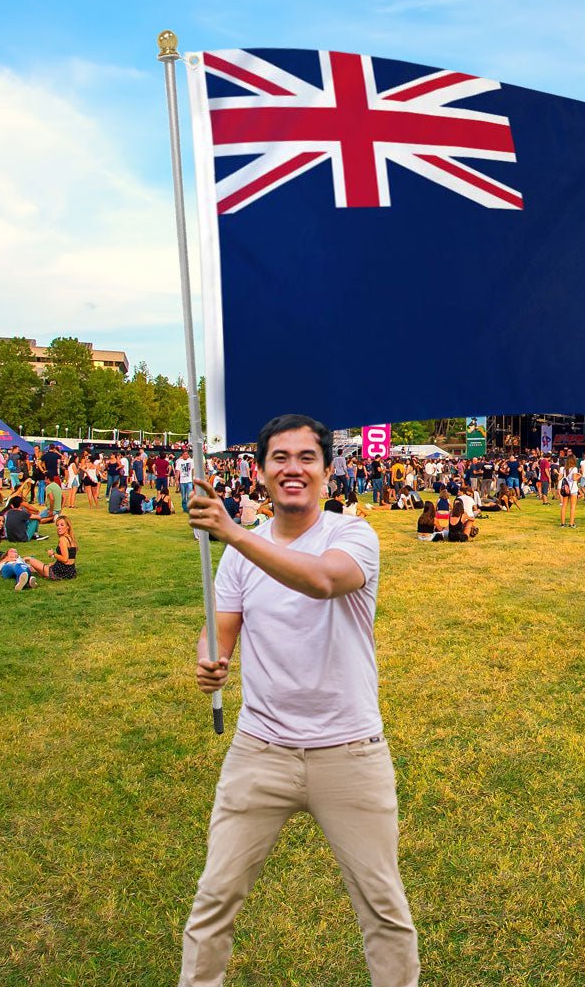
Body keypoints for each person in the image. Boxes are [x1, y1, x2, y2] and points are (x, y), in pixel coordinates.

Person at [181, 414, 419, 987]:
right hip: (259, 750)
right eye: (280, 457)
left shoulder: (352, 535)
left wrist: (233, 532)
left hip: (350, 751)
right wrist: (209, 658)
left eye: (306, 457)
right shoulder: (242, 553)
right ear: (261, 471)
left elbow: (321, 580)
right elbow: (223, 627)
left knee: (383, 911)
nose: (293, 468)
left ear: (328, 471)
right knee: (213, 901)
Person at [26, 515, 78, 581]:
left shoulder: (63, 539)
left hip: (59, 572)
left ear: (68, 526)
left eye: (62, 525)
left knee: (30, 560)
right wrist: (54, 563)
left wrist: (53, 554)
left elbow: (65, 559)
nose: (59, 527)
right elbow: (70, 558)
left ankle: (17, 562)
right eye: (57, 525)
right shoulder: (71, 539)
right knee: (35, 568)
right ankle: (28, 569)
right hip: (71, 572)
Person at [559, 455, 579, 528]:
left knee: (564, 506)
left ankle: (562, 523)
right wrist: (579, 476)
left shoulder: (564, 469)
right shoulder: (574, 469)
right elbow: (574, 478)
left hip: (565, 489)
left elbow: (559, 477)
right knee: (572, 507)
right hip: (573, 489)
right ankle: (571, 523)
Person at [176, 448, 195, 513]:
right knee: (183, 496)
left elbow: (193, 470)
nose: (185, 455)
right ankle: (185, 508)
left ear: (188, 455)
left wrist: (193, 478)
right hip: (182, 481)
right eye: (184, 454)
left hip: (189, 480)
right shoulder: (179, 461)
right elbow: (178, 471)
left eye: (186, 454)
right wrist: (177, 480)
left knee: (189, 495)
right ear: (182, 455)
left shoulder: (191, 461)